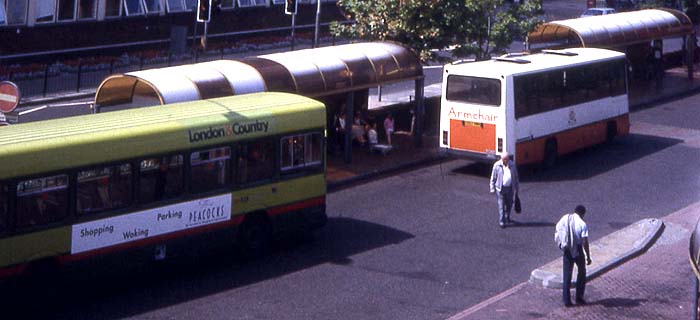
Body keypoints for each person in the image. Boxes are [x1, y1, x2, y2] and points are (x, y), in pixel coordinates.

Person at [556, 205, 592, 307]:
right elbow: (585, 242)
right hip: (578, 249)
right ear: (582, 213)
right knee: (582, 272)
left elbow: (559, 229)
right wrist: (588, 257)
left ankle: (566, 300)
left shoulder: (565, 218)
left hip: (567, 249)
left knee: (567, 275)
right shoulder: (582, 224)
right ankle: (579, 297)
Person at [489, 153, 519, 228]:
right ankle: (502, 221)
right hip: (501, 189)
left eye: (507, 159)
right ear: (501, 159)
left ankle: (507, 216)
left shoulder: (512, 165)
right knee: (501, 205)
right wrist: (492, 188)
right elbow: (493, 177)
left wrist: (517, 188)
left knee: (509, 203)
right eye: (504, 159)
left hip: (510, 188)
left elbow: (516, 177)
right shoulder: (497, 165)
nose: (506, 160)